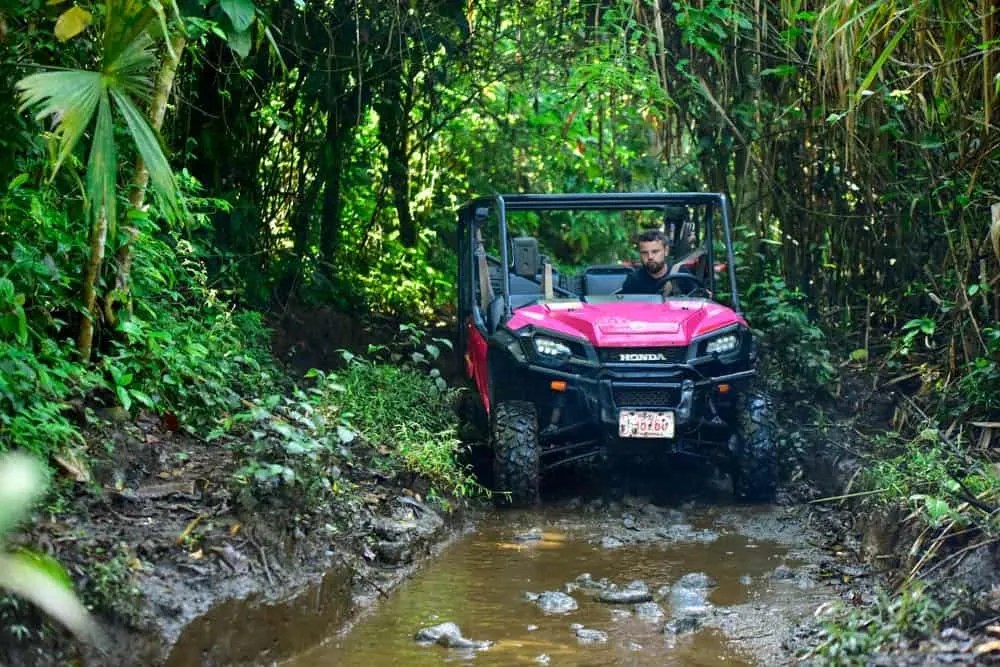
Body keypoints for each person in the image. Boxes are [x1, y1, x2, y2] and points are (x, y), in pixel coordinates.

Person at [620, 229, 699, 295]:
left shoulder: (680, 274)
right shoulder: (633, 280)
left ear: (666, 251)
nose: (650, 257)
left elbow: (698, 301)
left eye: (655, 252)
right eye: (644, 253)